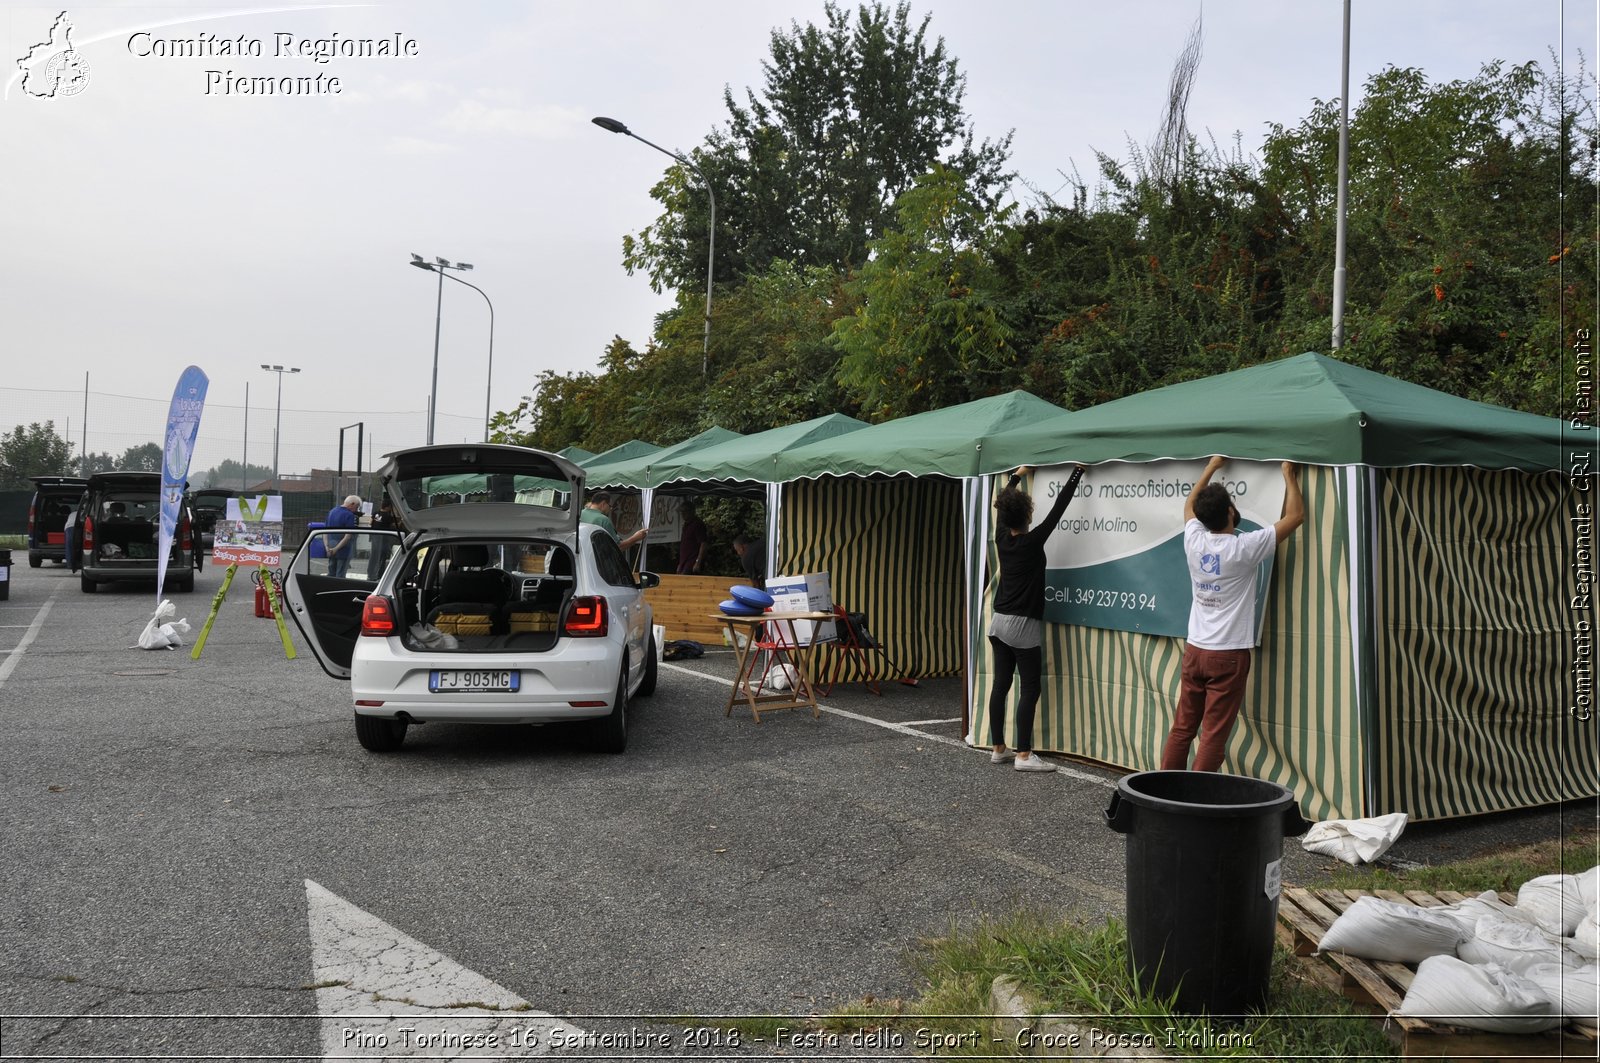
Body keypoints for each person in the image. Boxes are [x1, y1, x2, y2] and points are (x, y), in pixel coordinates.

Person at [1160, 457, 1305, 772]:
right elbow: (1296, 516)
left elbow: (1189, 506)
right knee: (1212, 735)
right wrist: (1288, 475)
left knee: (1183, 727)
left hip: (1195, 650)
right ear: (1229, 512)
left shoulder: (1194, 540)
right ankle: (1197, 805)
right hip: (1228, 654)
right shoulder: (1243, 548)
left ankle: (1164, 793)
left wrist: (1211, 468)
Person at [987, 464, 1085, 772]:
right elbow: (1059, 507)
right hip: (1022, 624)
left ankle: (998, 748)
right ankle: (1025, 755)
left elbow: (1001, 508)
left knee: (1001, 684)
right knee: (1030, 686)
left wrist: (1017, 476)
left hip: (998, 620)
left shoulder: (1001, 537)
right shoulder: (1032, 541)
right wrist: (1078, 471)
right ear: (1028, 516)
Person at [581, 491, 647, 549]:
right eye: (610, 506)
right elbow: (618, 546)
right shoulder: (603, 520)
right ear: (603, 504)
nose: (611, 509)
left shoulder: (579, 514)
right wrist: (636, 538)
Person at [326, 494, 362, 578]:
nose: (356, 510)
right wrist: (337, 549)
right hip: (343, 549)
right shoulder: (349, 515)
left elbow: (325, 532)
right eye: (357, 507)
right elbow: (348, 536)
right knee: (340, 574)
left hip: (330, 547)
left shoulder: (332, 511)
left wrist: (327, 546)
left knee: (331, 573)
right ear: (352, 504)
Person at [676, 500, 708, 574]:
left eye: (685, 511)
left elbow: (703, 544)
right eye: (682, 512)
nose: (683, 514)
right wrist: (680, 564)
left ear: (691, 511)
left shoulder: (697, 524)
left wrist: (698, 562)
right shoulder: (685, 525)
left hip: (692, 561)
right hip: (684, 562)